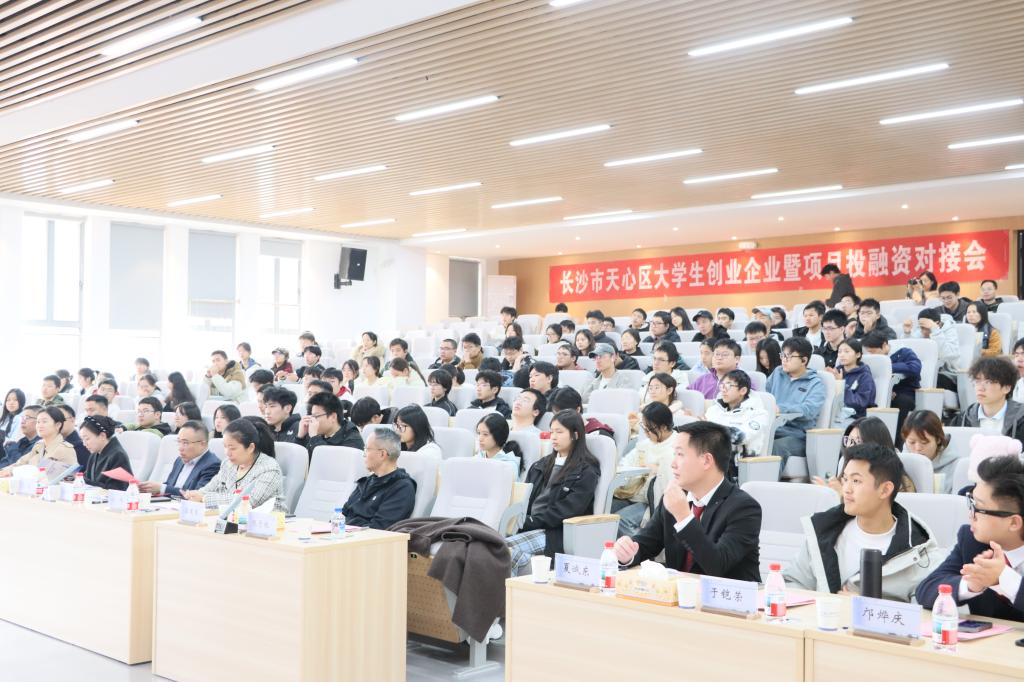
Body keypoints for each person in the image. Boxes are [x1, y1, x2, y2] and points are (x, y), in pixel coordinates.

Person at [785, 443, 941, 602]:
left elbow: (925, 613)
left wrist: (867, 606)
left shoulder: (920, 553)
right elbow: (792, 584)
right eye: (845, 479)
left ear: (885, 490)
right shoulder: (823, 531)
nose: (846, 489)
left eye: (856, 481)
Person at [613, 421, 762, 580]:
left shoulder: (744, 508)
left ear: (706, 460)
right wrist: (627, 553)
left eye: (680, 454)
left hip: (728, 594)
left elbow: (718, 565)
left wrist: (684, 517)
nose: (673, 464)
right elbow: (646, 544)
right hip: (681, 593)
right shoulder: (676, 498)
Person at [916, 454, 1024, 621]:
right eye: (971, 503)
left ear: (1014, 523)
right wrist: (971, 584)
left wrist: (1004, 579)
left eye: (978, 508)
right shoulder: (972, 540)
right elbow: (925, 591)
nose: (970, 515)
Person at [507, 410, 601, 575]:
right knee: (488, 545)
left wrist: (532, 521)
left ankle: (537, 575)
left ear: (575, 435)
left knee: (502, 550)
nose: (553, 437)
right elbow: (524, 498)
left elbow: (569, 510)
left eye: (559, 432)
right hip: (527, 525)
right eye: (552, 432)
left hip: (555, 532)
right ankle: (537, 573)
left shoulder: (586, 470)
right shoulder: (541, 465)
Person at [185, 418, 286, 512]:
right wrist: (196, 494)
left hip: (269, 522)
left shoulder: (269, 468)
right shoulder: (228, 464)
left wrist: (204, 498)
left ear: (250, 448)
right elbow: (210, 488)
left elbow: (249, 501)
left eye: (232, 448)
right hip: (232, 519)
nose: (227, 453)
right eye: (225, 447)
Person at [614, 402, 677, 535]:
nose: (646, 433)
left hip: (654, 502)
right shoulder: (644, 445)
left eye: (649, 429)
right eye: (644, 427)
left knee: (621, 520)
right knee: (606, 512)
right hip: (632, 494)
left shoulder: (676, 447)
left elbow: (670, 481)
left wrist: (656, 469)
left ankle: (641, 546)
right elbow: (625, 464)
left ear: (663, 427)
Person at [768, 337, 827, 466]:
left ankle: (767, 479)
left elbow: (809, 411)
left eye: (789, 357)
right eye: (783, 355)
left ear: (804, 360)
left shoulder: (815, 383)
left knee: (776, 447)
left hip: (798, 436)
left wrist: (781, 409)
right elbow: (765, 397)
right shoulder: (777, 373)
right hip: (772, 429)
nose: (784, 360)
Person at [343, 426, 416, 529]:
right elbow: (343, 514)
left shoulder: (401, 488)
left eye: (367, 449)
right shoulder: (366, 482)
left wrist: (346, 527)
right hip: (344, 534)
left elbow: (379, 528)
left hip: (365, 538)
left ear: (382, 454)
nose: (364, 455)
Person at [861, 331, 920, 440]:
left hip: (903, 392)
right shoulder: (869, 357)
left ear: (884, 345)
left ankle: (896, 441)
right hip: (878, 391)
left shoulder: (904, 352)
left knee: (902, 402)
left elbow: (915, 368)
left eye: (873, 352)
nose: (871, 356)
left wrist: (887, 366)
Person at [952, 357, 1024, 446]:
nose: (980, 388)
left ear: (1006, 388)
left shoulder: (1021, 418)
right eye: (977, 381)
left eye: (989, 382)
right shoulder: (964, 419)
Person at [138, 420, 220, 497]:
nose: (180, 448)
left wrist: (162, 488)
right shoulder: (179, 460)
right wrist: (152, 489)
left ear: (202, 444)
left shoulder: (213, 465)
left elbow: (197, 495)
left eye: (185, 443)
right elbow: (170, 485)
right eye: (179, 442)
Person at [704, 370, 770, 455]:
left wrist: (708, 428)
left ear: (743, 390)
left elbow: (740, 437)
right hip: (710, 455)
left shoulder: (758, 414)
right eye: (722, 385)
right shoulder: (713, 410)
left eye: (728, 385)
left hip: (740, 460)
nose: (723, 390)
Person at [0, 406, 77, 474]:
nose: (40, 425)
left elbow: (70, 478)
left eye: (44, 421)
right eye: (38, 422)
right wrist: (6, 471)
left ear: (58, 425)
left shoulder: (65, 449)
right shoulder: (39, 445)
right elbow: (20, 463)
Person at [899, 410, 960, 492]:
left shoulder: (957, 467)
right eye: (912, 442)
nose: (918, 448)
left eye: (924, 442)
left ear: (938, 440)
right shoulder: (900, 464)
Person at [78, 416, 134, 490]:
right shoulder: (94, 453)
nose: (84, 444)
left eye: (87, 439)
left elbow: (118, 488)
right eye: (82, 440)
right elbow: (87, 478)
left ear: (102, 436)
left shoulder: (118, 455)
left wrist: (85, 482)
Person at [827, 338, 876, 422]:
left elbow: (860, 403)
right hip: (833, 414)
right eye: (839, 352)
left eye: (846, 351)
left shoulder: (865, 376)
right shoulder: (836, 372)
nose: (842, 355)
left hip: (855, 419)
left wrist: (841, 384)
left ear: (858, 354)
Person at [299, 391, 364, 454]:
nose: (312, 420)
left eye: (316, 416)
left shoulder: (352, 439)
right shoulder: (317, 435)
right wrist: (300, 437)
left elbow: (329, 459)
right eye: (312, 416)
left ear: (333, 417)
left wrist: (314, 438)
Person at [547, 386, 614, 439]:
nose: (558, 420)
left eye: (564, 415)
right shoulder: (559, 434)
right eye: (555, 415)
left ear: (577, 410)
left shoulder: (599, 434)